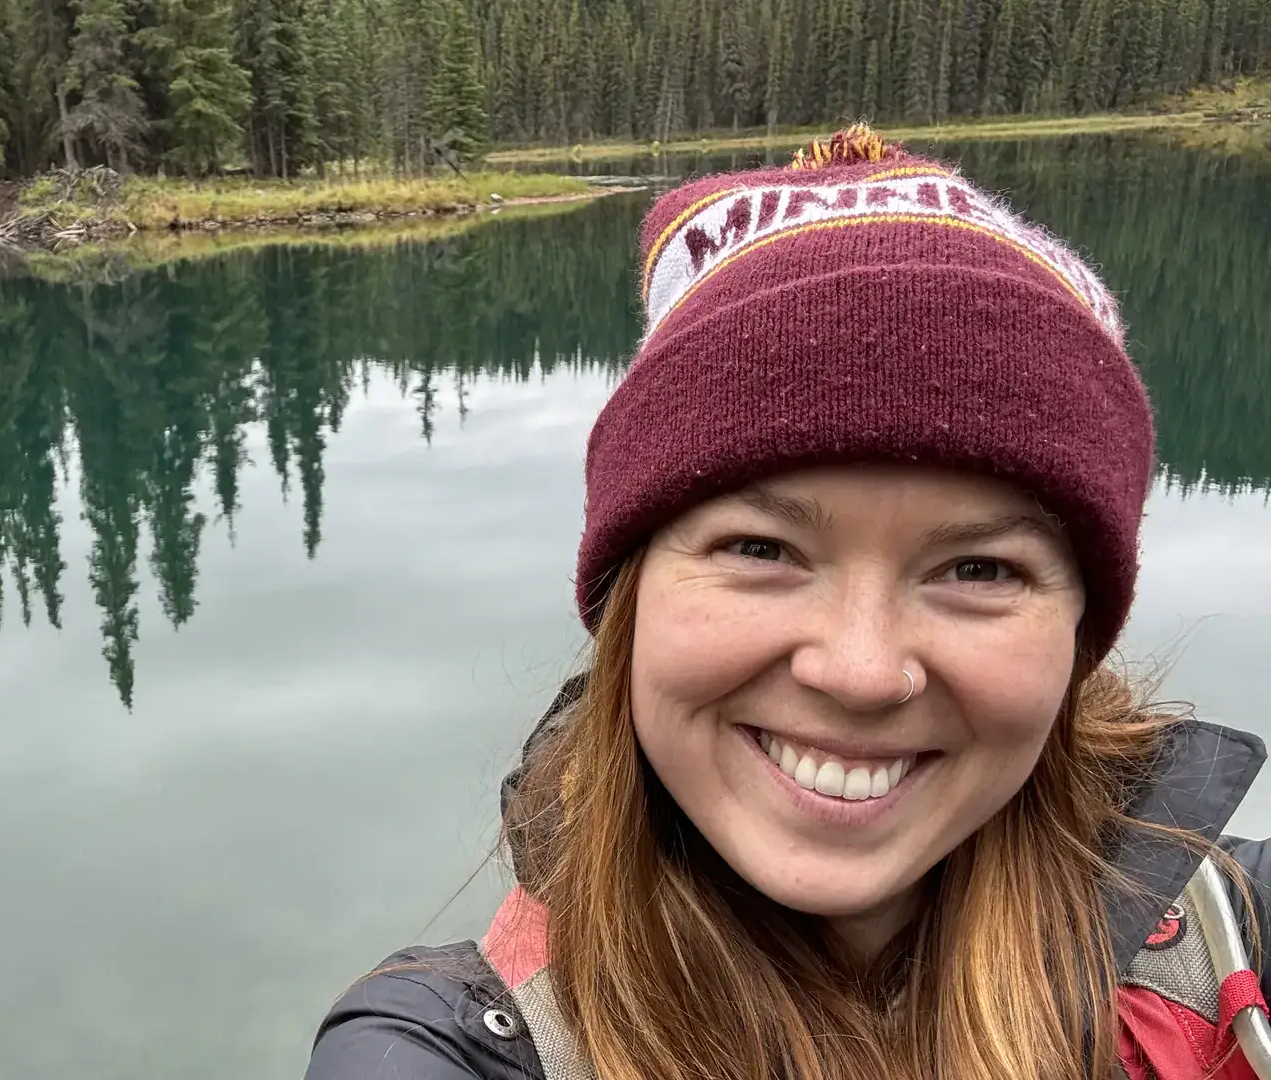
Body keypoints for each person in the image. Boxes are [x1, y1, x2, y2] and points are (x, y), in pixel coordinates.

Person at [304, 125, 1271, 1080]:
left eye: (979, 570)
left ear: (1079, 635)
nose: (859, 671)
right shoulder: (441, 1051)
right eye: (761, 549)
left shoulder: (1236, 938)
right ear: (631, 599)